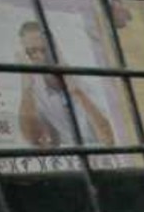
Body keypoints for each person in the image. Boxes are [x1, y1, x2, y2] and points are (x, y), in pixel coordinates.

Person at [17, 20, 115, 148]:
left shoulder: (85, 79)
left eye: (44, 50)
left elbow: (109, 138)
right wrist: (26, 88)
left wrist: (77, 93)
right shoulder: (35, 93)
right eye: (31, 52)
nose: (40, 57)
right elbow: (35, 139)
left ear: (55, 48)